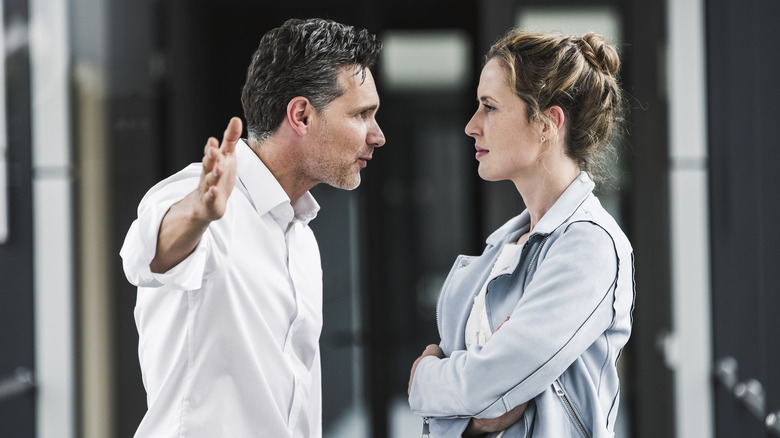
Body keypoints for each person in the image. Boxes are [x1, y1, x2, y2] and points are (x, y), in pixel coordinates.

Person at [120, 18, 385, 437]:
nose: (377, 136)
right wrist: (199, 212)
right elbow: (145, 255)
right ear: (301, 115)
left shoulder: (302, 237)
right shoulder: (199, 197)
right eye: (362, 115)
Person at [407, 29, 635, 438]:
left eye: (490, 107)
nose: (471, 126)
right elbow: (481, 401)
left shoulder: (589, 245)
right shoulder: (503, 247)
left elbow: (485, 386)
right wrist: (471, 420)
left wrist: (425, 376)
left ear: (548, 122)